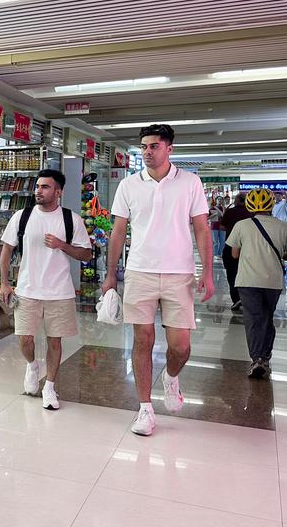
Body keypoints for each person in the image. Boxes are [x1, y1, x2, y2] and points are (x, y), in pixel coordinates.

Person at [101, 124, 214, 436]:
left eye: (153, 146)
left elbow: (202, 228)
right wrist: (111, 275)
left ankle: (171, 376)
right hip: (139, 271)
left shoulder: (190, 182)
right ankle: (145, 409)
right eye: (144, 147)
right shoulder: (129, 185)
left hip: (179, 274)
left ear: (169, 149)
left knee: (181, 346)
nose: (147, 152)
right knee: (143, 341)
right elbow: (118, 231)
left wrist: (206, 271)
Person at [0, 169, 92, 411]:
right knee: (24, 338)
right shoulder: (22, 216)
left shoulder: (71, 220)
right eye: (38, 186)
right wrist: (4, 283)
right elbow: (7, 250)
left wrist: (62, 245)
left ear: (58, 192)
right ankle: (32, 365)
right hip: (27, 290)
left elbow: (86, 254)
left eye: (45, 187)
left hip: (59, 292)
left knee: (55, 341)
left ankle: (50, 386)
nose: (38, 191)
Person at [226, 187, 287, 379]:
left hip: (248, 280)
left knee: (253, 319)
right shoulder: (282, 226)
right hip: (273, 281)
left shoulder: (242, 225)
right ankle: (265, 357)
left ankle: (257, 359)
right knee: (267, 318)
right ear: (271, 205)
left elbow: (234, 254)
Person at [221, 193, 253, 310]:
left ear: (237, 200)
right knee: (247, 274)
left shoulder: (230, 212)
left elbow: (222, 227)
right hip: (248, 248)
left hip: (231, 246)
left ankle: (236, 299)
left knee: (232, 274)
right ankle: (247, 299)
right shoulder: (251, 213)